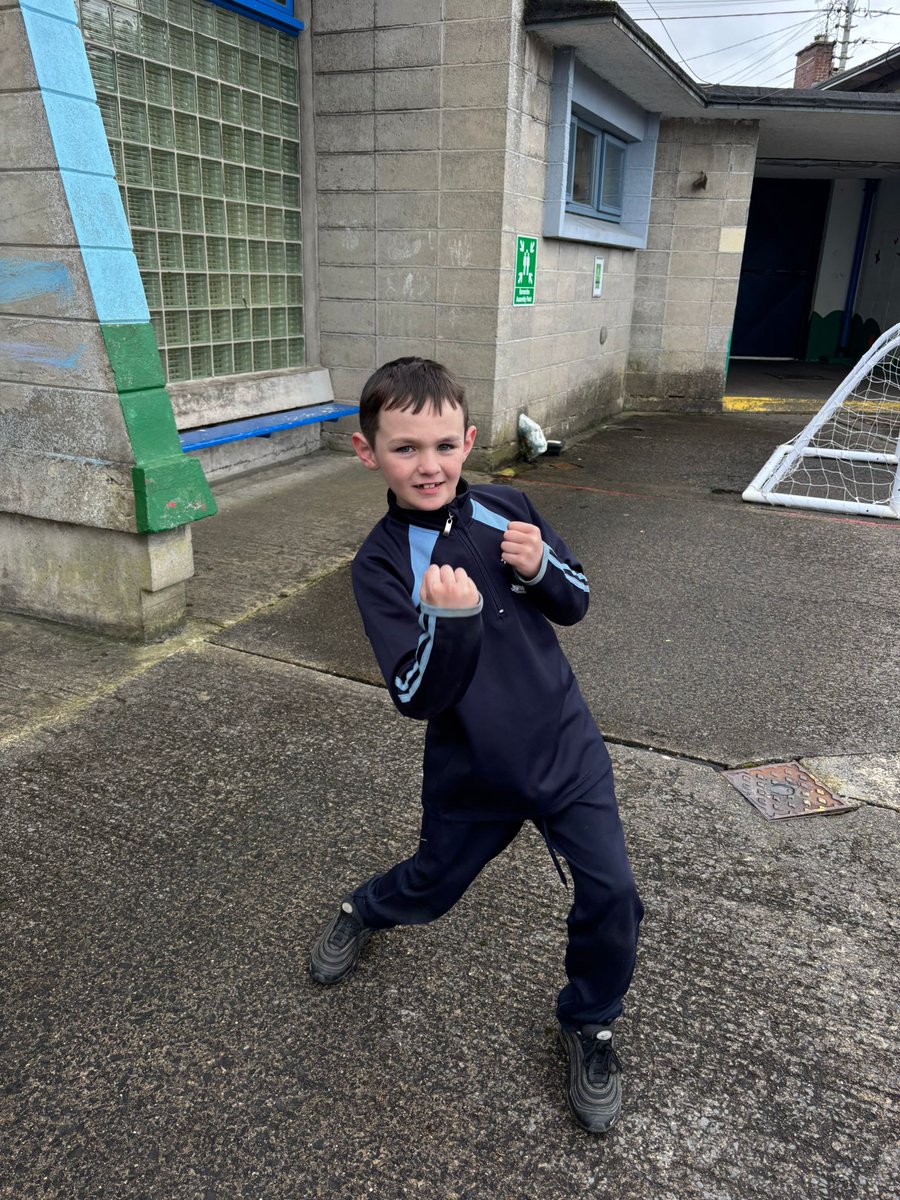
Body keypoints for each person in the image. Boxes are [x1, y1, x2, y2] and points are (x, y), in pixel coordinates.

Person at [310, 357, 643, 1134]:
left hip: (563, 746)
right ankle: (362, 909)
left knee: (613, 894)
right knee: (432, 884)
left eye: (442, 445)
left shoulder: (506, 506)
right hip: (474, 765)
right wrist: (449, 625)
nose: (427, 465)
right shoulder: (380, 564)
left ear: (467, 441)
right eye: (404, 448)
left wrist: (541, 567)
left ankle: (589, 1023)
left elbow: (576, 600)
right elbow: (414, 695)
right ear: (368, 452)